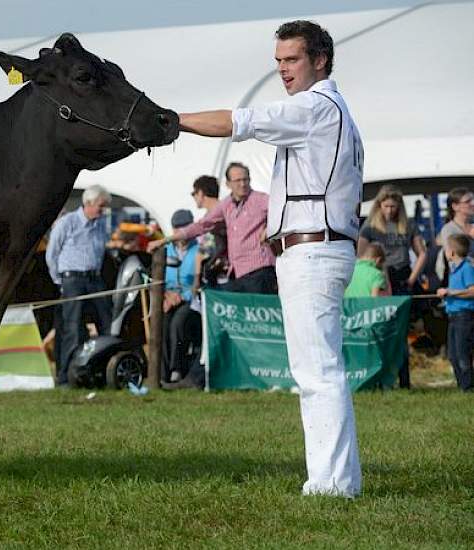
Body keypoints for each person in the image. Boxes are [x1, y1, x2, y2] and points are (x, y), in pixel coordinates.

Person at [178, 20, 364, 497]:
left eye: (291, 59)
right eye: (278, 61)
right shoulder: (334, 111)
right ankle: (335, 479)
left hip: (312, 249)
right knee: (320, 368)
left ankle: (333, 485)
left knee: (316, 372)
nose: (282, 69)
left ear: (319, 60)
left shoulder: (313, 107)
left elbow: (236, 123)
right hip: (318, 247)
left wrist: (170, 120)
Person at [149, 162, 277, 294]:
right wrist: (165, 240)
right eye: (238, 180)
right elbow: (201, 225)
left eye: (246, 179)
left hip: (260, 269)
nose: (243, 184)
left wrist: (270, 228)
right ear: (228, 184)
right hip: (237, 273)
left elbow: (284, 210)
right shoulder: (226, 205)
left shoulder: (261, 200)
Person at [358, 184, 426, 388]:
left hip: (403, 278)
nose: (390, 211)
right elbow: (360, 256)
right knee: (379, 329)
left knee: (402, 332)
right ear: (379, 205)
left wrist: (413, 279)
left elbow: (422, 253)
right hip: (379, 280)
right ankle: (378, 379)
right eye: (386, 206)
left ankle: (405, 381)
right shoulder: (370, 227)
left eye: (394, 207)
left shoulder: (408, 224)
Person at [46, 185, 113, 385]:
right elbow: (52, 254)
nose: (103, 210)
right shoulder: (67, 223)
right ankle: (65, 377)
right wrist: (61, 282)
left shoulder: (101, 224)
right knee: (72, 328)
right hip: (72, 279)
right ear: (89, 203)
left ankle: (102, 371)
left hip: (94, 278)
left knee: (106, 322)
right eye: (101, 206)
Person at [161, 209, 202, 387]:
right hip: (167, 297)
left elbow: (198, 282)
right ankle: (161, 372)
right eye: (177, 228)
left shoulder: (199, 250)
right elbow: (155, 278)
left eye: (185, 227)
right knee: (160, 323)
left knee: (178, 322)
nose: (181, 232)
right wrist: (166, 295)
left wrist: (182, 297)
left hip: (191, 300)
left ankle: (177, 369)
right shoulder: (165, 250)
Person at [436, 234, 474, 392]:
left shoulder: (466, 268)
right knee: (453, 355)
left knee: (463, 355)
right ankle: (461, 385)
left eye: (445, 249)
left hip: (463, 316)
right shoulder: (453, 269)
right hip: (452, 316)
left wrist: (451, 293)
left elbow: (472, 291)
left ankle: (468, 387)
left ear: (451, 253)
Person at [189, 175, 228, 289]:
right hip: (220, 274)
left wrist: (196, 279)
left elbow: (203, 251)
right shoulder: (226, 210)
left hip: (219, 277)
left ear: (201, 193)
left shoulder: (215, 216)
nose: (194, 197)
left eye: (194, 193)